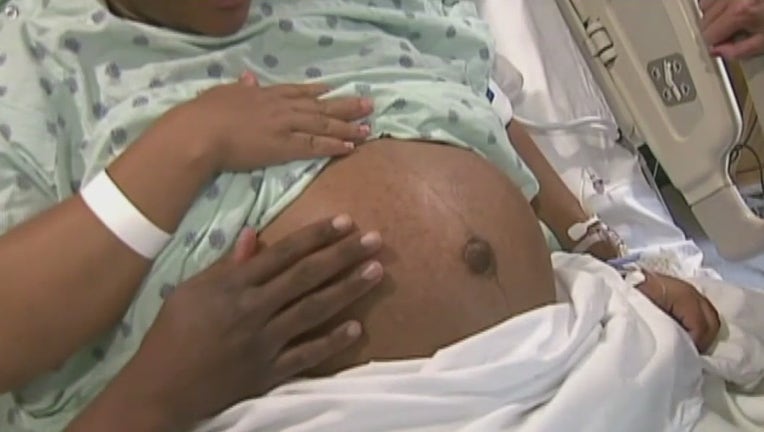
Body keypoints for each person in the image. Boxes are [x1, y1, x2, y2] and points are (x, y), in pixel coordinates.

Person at [0, 1, 719, 431]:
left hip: (581, 360)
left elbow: (479, 103)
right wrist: (191, 139)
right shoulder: (36, 56)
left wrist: (614, 258)